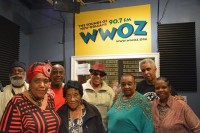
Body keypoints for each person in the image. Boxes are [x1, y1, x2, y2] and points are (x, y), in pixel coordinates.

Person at [0, 62, 61, 132]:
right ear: (30, 82)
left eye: (46, 81)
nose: (42, 85)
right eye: (37, 81)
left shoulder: (50, 99)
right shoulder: (17, 102)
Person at [82, 63, 115, 130]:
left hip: (103, 129)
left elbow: (112, 113)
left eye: (101, 74)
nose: (98, 76)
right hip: (85, 129)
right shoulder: (81, 89)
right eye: (96, 73)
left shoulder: (110, 92)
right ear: (91, 74)